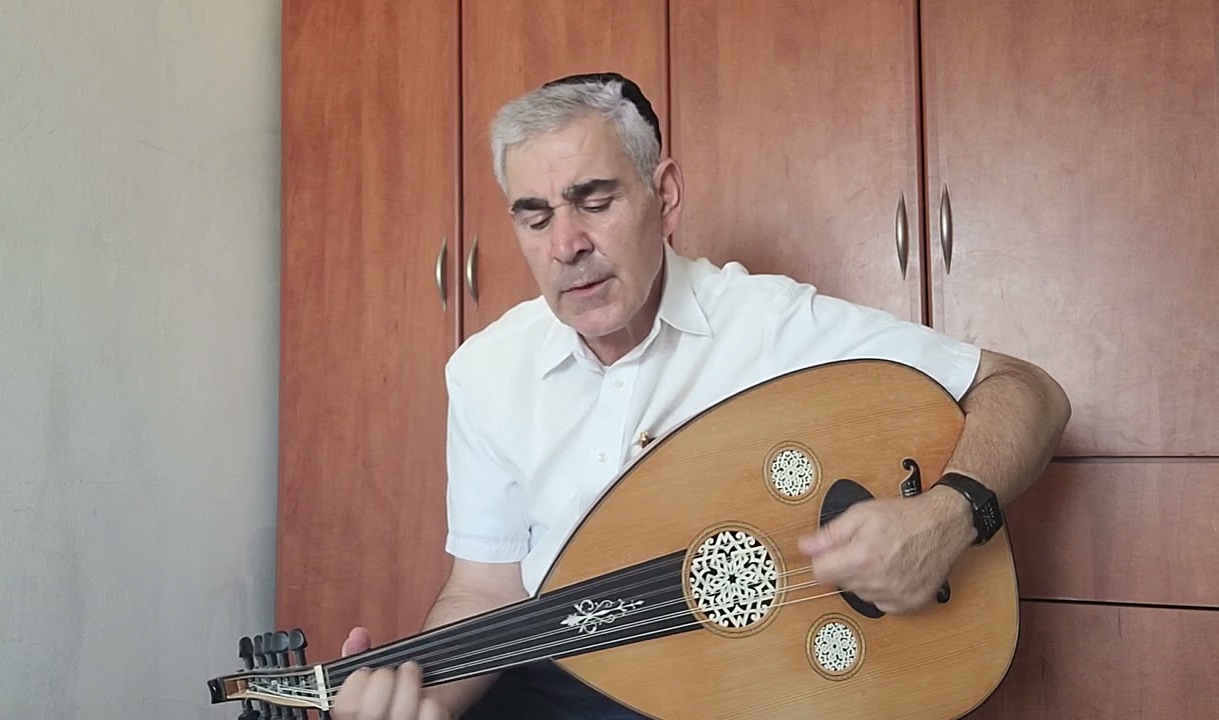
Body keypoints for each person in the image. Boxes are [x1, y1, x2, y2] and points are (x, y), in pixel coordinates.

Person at [330, 72, 1070, 720]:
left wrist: (947, 517)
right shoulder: (486, 370)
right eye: (535, 215)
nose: (565, 245)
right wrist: (423, 699)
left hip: (745, 688)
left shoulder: (771, 325)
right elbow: (486, 590)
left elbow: (1026, 390)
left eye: (594, 201)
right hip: (557, 681)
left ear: (665, 196)